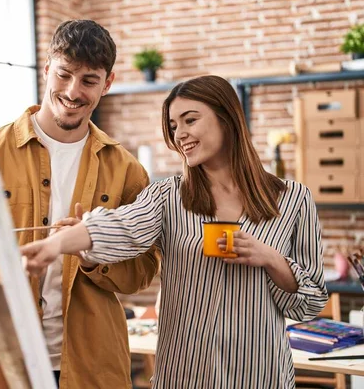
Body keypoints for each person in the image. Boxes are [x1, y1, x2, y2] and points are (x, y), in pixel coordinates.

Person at [21, 75, 328, 388]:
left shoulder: (294, 200)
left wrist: (270, 258)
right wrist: (56, 244)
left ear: (227, 119)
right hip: (185, 374)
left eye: (190, 120)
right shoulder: (168, 197)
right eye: (172, 126)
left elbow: (310, 303)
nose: (180, 135)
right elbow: (119, 227)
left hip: (261, 375)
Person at [0, 19, 160, 388]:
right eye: (64, 74)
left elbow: (143, 269)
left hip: (92, 366)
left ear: (107, 83)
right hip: (4, 359)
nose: (72, 91)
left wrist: (93, 254)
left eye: (88, 80)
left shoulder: (127, 171)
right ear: (48, 69)